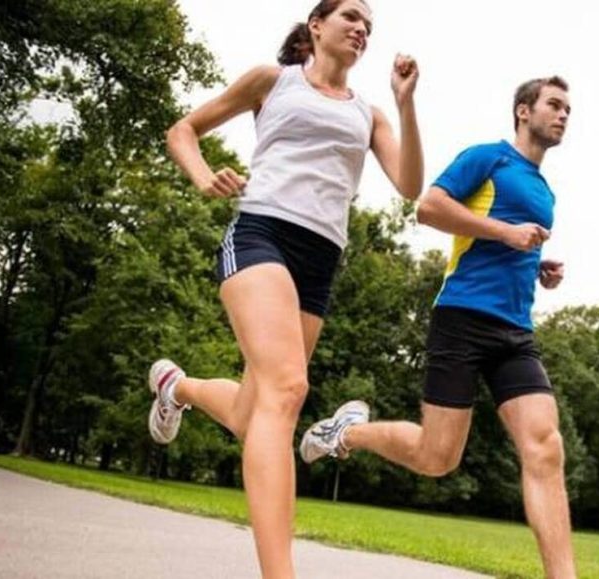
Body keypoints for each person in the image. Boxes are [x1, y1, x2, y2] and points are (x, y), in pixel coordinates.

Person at [149, 1, 422, 577]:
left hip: (321, 260)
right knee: (288, 388)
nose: (361, 28)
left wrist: (405, 103)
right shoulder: (273, 82)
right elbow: (183, 132)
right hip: (261, 235)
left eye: (369, 25)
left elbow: (409, 185)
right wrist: (204, 177)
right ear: (316, 26)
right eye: (350, 15)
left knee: (257, 415)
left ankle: (178, 387)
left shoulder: (369, 114)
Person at [300, 76, 577, 579]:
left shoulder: (544, 189)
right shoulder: (487, 157)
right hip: (463, 319)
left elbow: (506, 245)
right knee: (437, 457)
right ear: (522, 111)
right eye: (554, 105)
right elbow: (428, 208)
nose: (563, 115)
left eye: (568, 110)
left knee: (546, 446)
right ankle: (349, 432)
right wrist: (507, 233)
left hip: (516, 331)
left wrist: (537, 264)